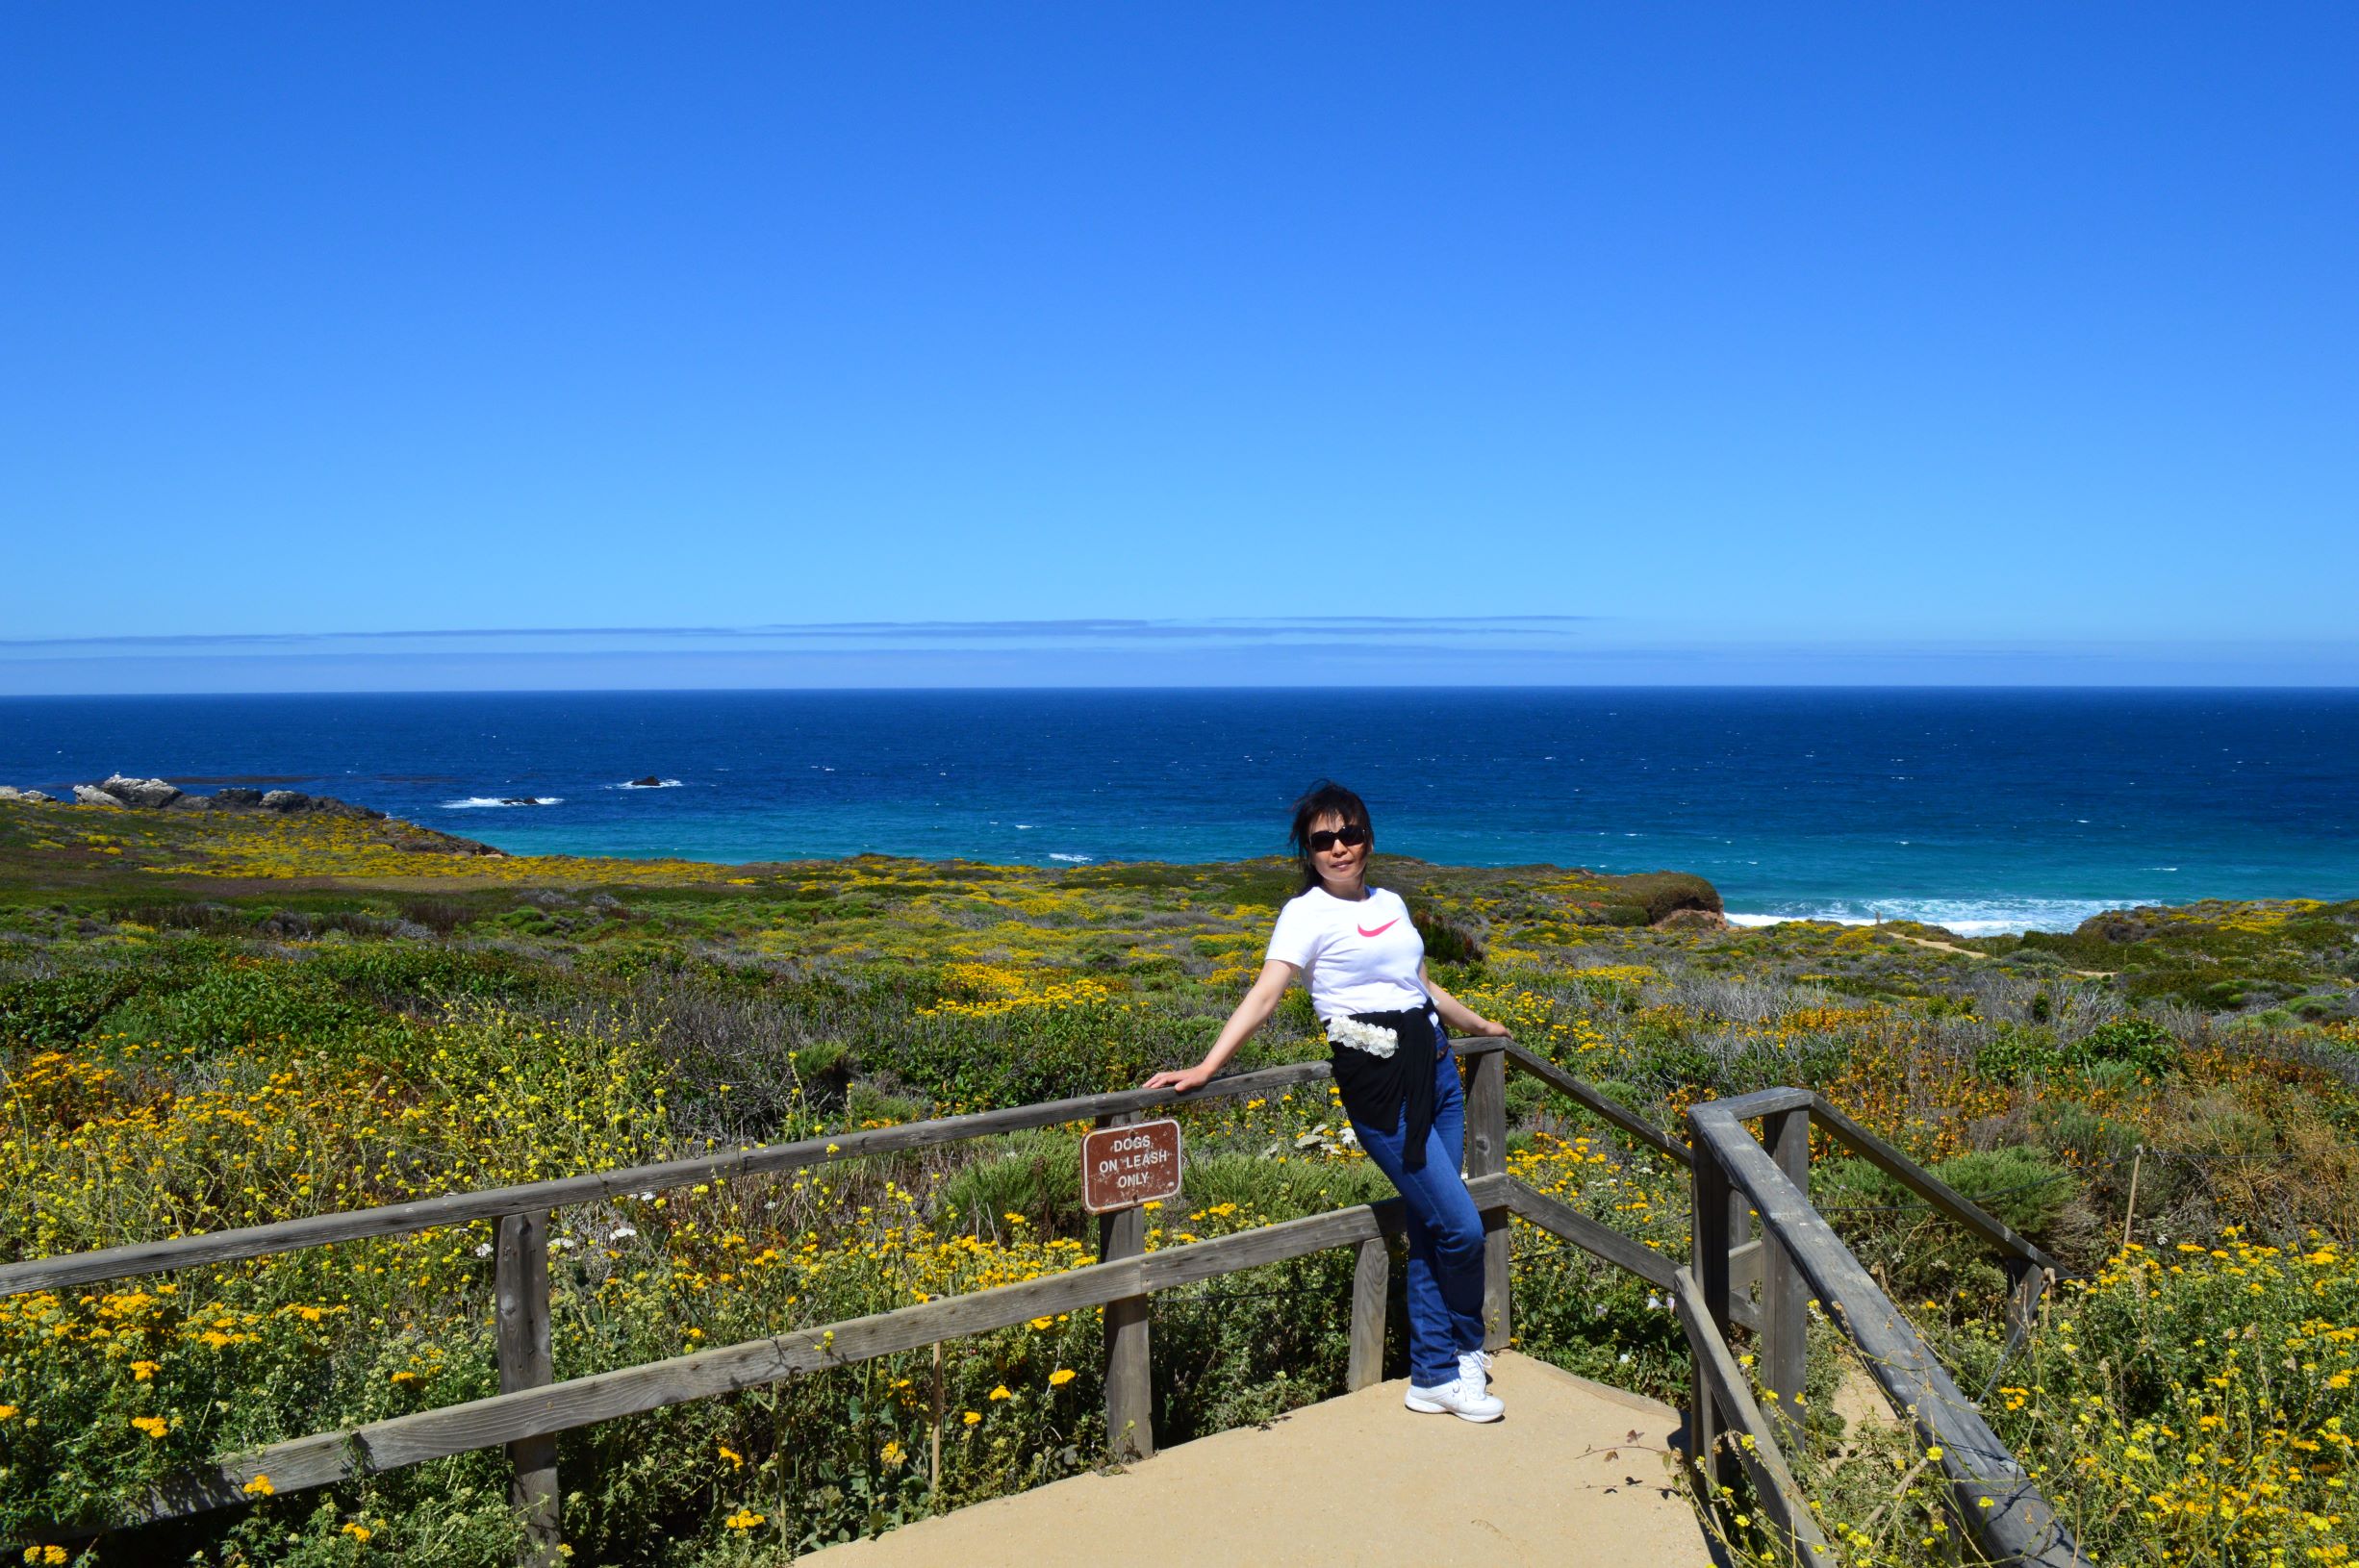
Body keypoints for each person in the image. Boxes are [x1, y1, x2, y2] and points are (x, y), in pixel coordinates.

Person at [1145, 780, 1512, 1421]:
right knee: (1462, 1226)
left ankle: (1432, 1374)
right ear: (1308, 851)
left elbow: (1421, 983)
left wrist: (1478, 1026)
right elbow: (1264, 997)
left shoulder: (1392, 901)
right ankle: (1462, 1349)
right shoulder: (1304, 914)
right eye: (1324, 840)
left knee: (1431, 1224)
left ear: (1368, 838)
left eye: (1350, 834)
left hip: (1438, 1071)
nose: (1339, 847)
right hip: (1378, 1082)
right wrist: (1207, 1066)